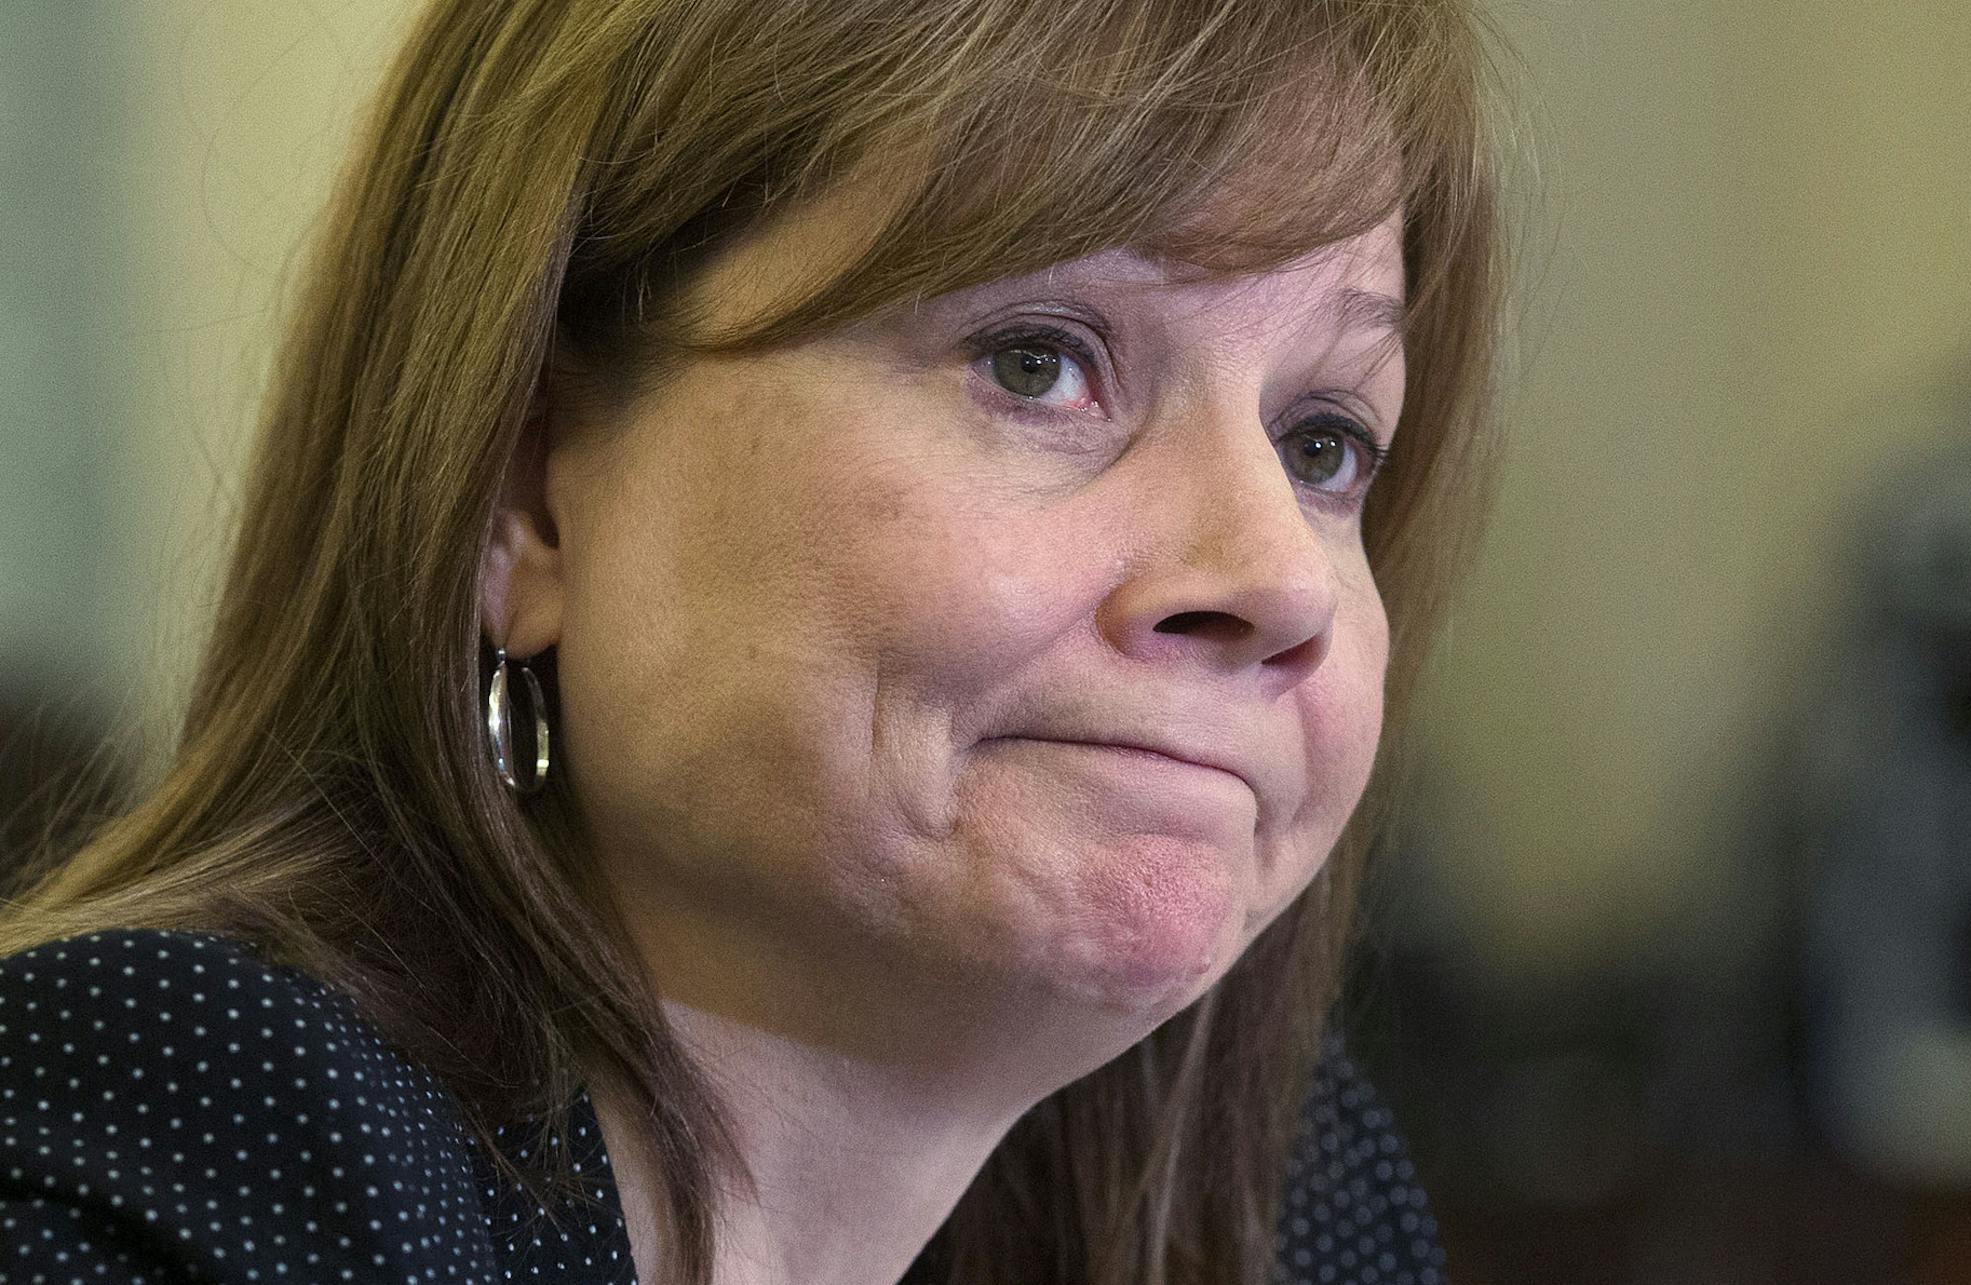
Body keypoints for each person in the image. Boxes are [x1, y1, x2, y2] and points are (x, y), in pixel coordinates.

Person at [0, 0, 1503, 1281]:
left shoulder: (1282, 1205)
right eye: (1038, 361)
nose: (1274, 578)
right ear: (527, 498)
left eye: (1321, 443)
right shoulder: (186, 1155)